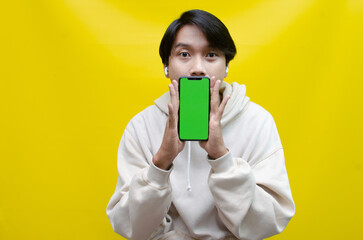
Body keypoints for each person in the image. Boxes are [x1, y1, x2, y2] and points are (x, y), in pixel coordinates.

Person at [106, 9, 295, 240]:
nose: (197, 68)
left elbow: (267, 223)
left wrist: (221, 158)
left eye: (211, 55)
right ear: (167, 66)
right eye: (184, 54)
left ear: (226, 66)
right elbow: (130, 227)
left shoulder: (257, 121)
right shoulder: (141, 126)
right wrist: (161, 162)